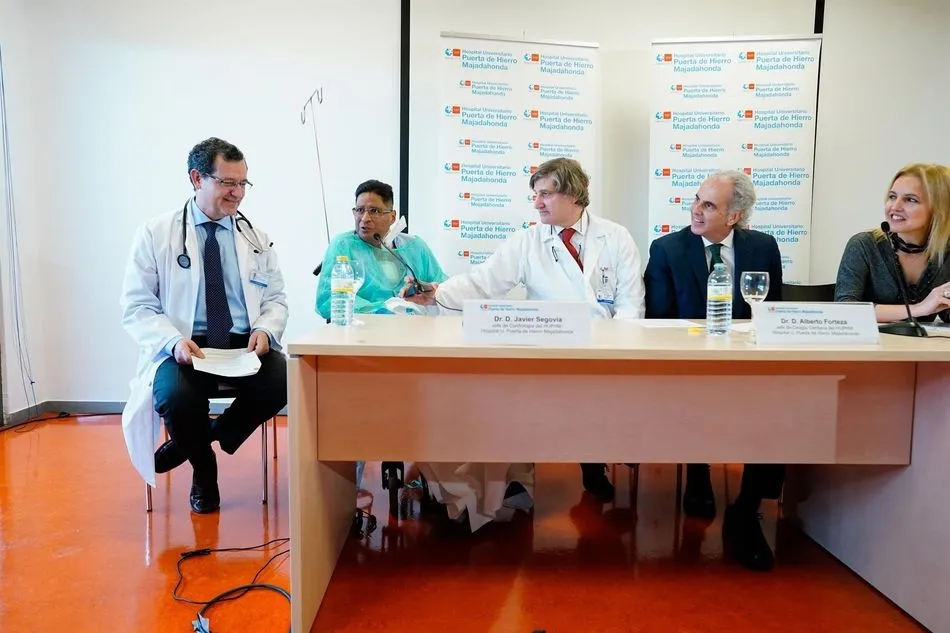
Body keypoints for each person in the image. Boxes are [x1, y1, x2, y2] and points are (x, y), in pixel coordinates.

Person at [403, 157, 646, 527]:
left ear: (573, 194)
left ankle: (596, 457)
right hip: (549, 352)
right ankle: (509, 482)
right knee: (498, 402)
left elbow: (631, 305)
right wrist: (437, 293)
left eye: (545, 194)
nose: (537, 203)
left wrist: (617, 356)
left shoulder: (615, 237)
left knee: (608, 404)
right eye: (535, 195)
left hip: (605, 352)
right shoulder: (527, 241)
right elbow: (485, 280)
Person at [120, 138, 288, 514]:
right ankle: (204, 470)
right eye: (228, 182)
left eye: (243, 183)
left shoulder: (256, 238)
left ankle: (201, 439)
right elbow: (137, 305)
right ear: (197, 178)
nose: (238, 193)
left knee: (287, 378)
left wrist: (265, 329)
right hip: (184, 347)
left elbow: (276, 298)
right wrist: (174, 342)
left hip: (242, 345)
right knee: (177, 399)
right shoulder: (156, 234)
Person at [644, 169, 784, 571]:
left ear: (735, 216)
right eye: (697, 200)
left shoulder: (764, 247)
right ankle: (697, 467)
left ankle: (746, 508)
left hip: (747, 363)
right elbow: (658, 320)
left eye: (709, 204)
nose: (697, 211)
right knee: (695, 392)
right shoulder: (666, 249)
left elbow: (769, 313)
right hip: (687, 364)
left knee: (779, 406)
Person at [315, 179, 447, 318]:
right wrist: (385, 309)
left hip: (414, 331)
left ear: (392, 216)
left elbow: (444, 290)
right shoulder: (343, 246)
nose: (365, 218)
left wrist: (427, 290)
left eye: (374, 211)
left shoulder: (414, 247)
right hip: (362, 332)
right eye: (360, 210)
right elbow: (328, 299)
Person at [835, 163, 950, 322]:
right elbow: (845, 309)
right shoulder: (864, 245)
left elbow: (946, 313)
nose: (895, 207)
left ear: (940, 209)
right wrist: (920, 308)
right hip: (873, 346)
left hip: (926, 346)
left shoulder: (946, 250)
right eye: (892, 197)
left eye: (910, 199)